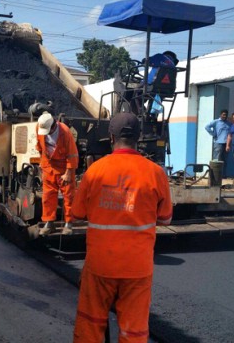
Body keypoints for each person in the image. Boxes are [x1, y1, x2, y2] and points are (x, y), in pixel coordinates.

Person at [71, 112, 173, 343]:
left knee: (90, 324)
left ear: (111, 136)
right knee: (134, 331)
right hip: (137, 268)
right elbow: (165, 219)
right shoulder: (156, 173)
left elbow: (76, 215)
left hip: (100, 265)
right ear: (139, 137)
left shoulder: (95, 171)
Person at [36, 112, 78, 236]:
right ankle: (49, 223)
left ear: (54, 126)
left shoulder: (65, 133)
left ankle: (68, 224)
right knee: (48, 196)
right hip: (48, 166)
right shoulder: (40, 126)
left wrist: (68, 173)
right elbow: (40, 147)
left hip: (64, 168)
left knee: (69, 197)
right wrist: (41, 163)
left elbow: (72, 154)